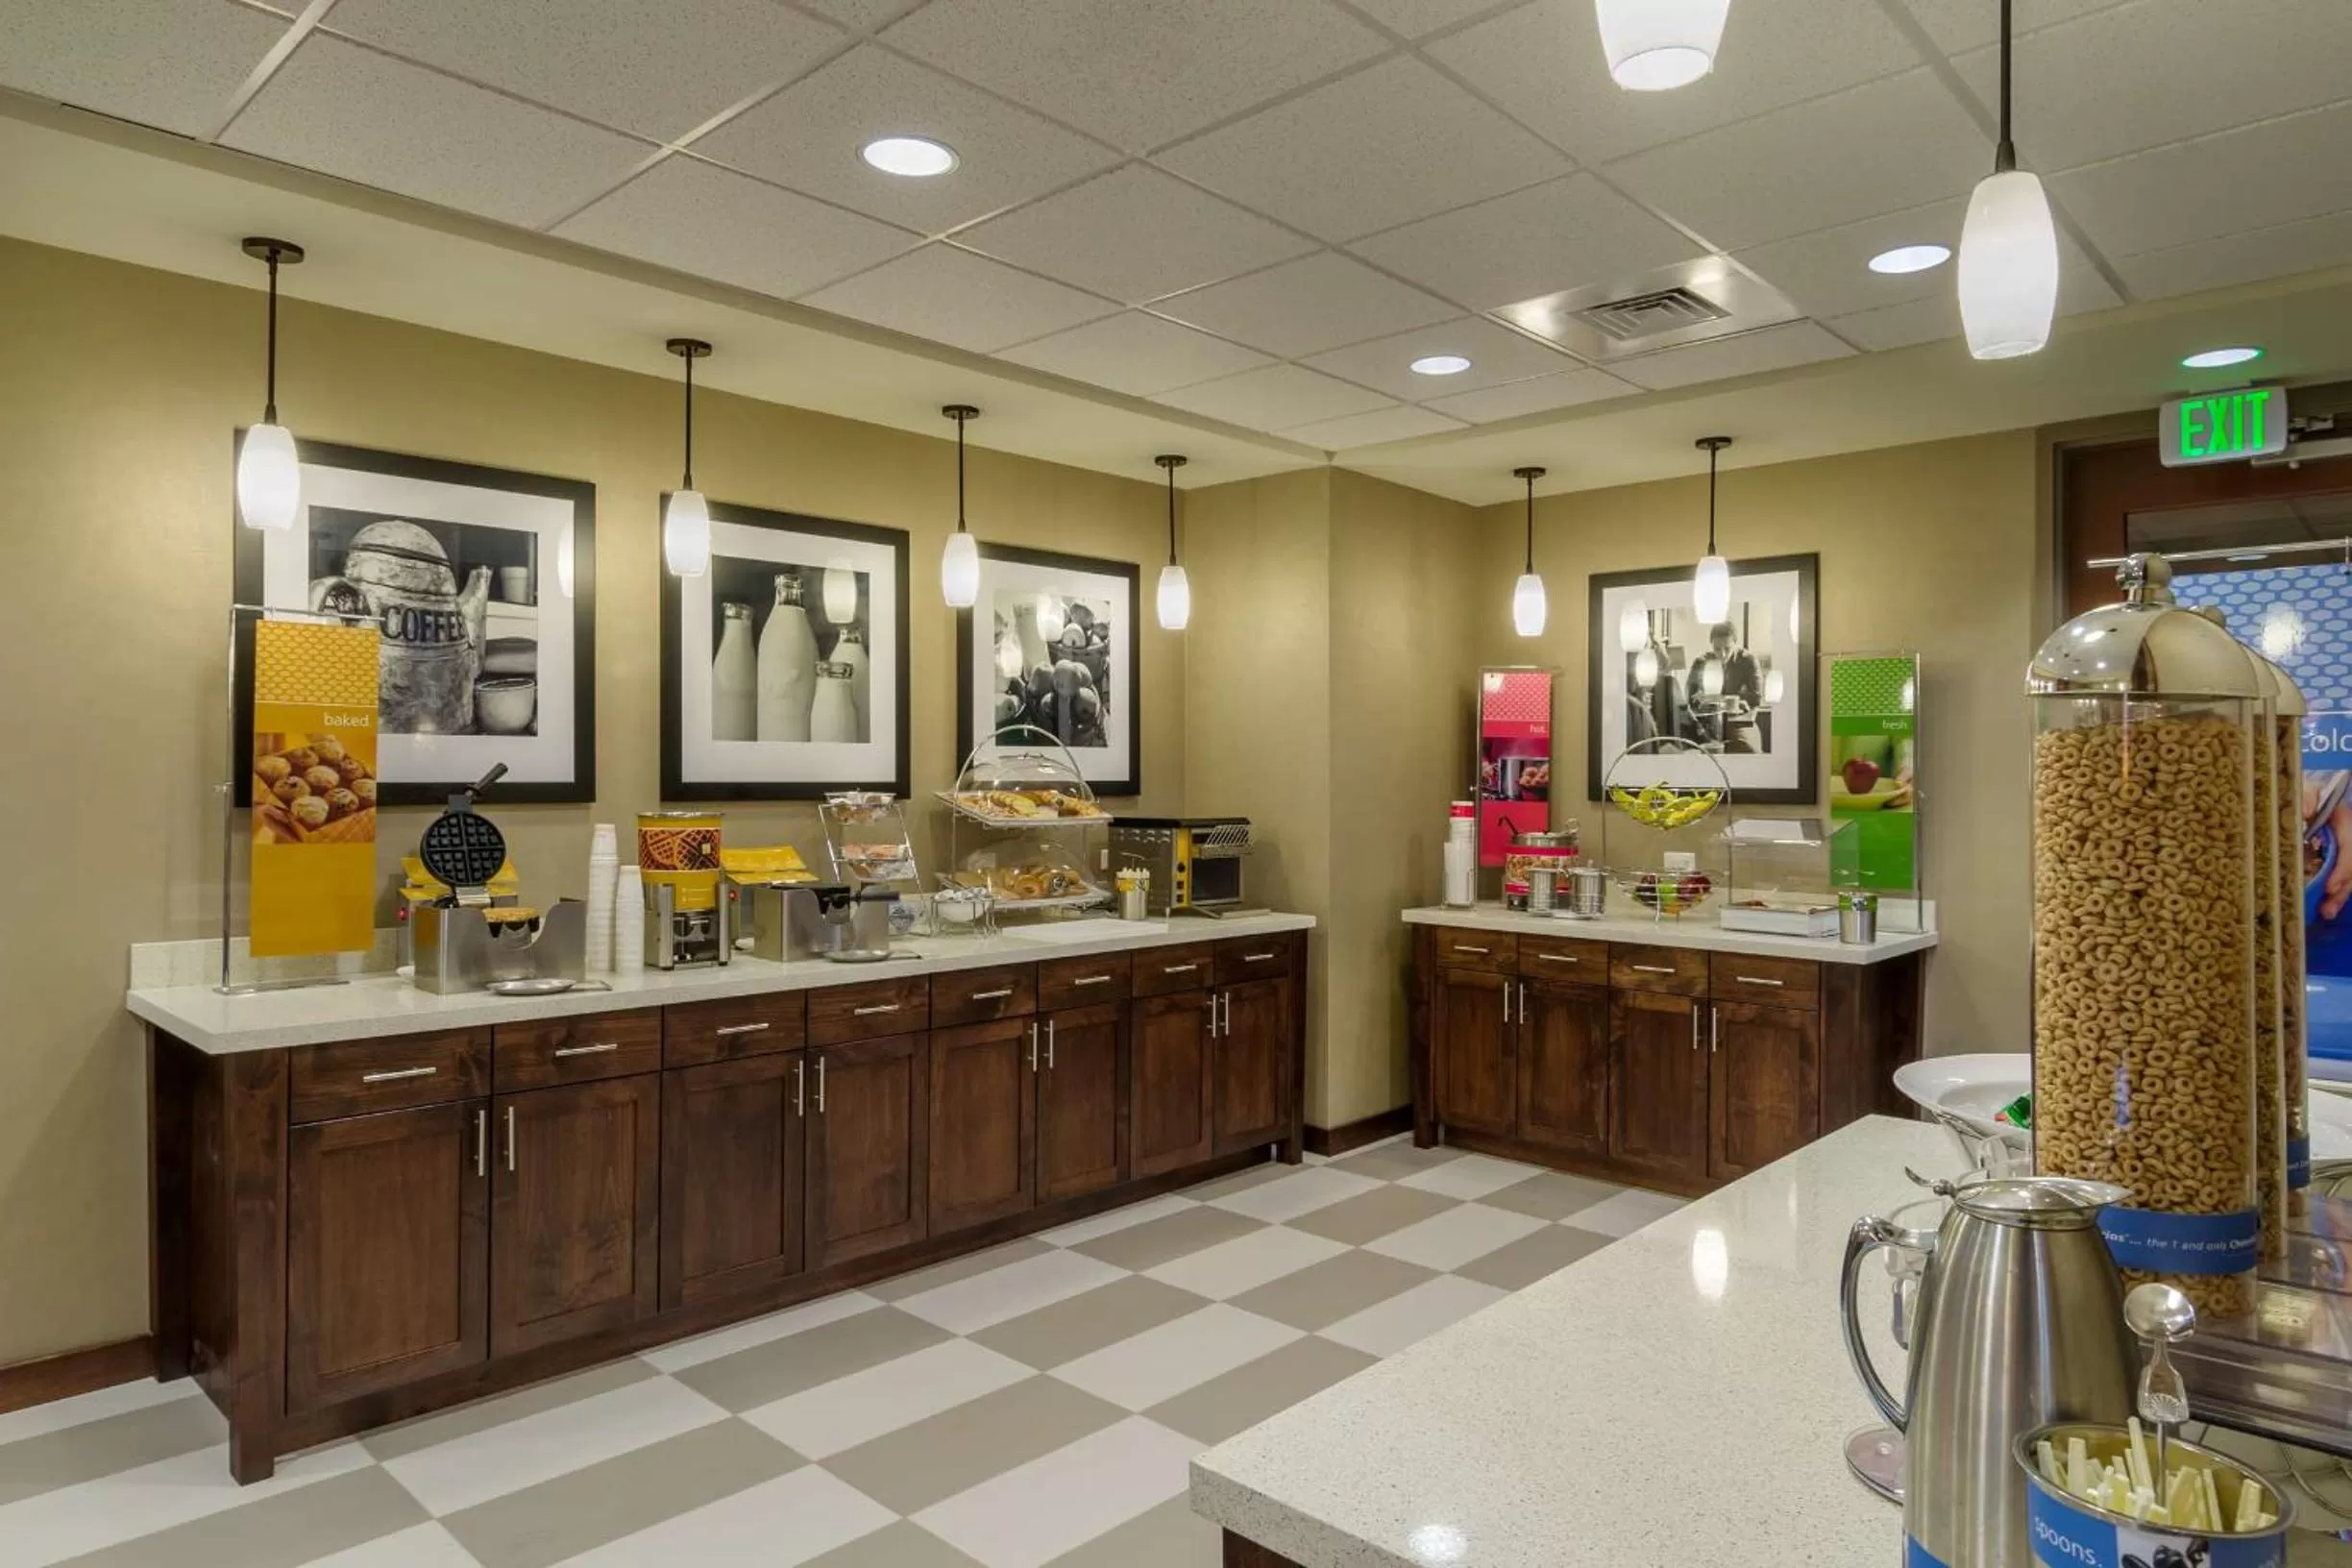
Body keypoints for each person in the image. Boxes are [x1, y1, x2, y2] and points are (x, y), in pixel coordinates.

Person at [1687, 623, 1763, 753]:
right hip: (1707, 720)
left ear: (1735, 643)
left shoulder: (1748, 661)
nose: (1722, 654)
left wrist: (1725, 700)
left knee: (1747, 749)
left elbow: (1756, 697)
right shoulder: (1701, 663)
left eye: (1727, 649)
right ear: (1711, 645)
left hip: (1738, 720)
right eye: (1717, 649)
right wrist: (1697, 697)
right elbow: (1690, 697)